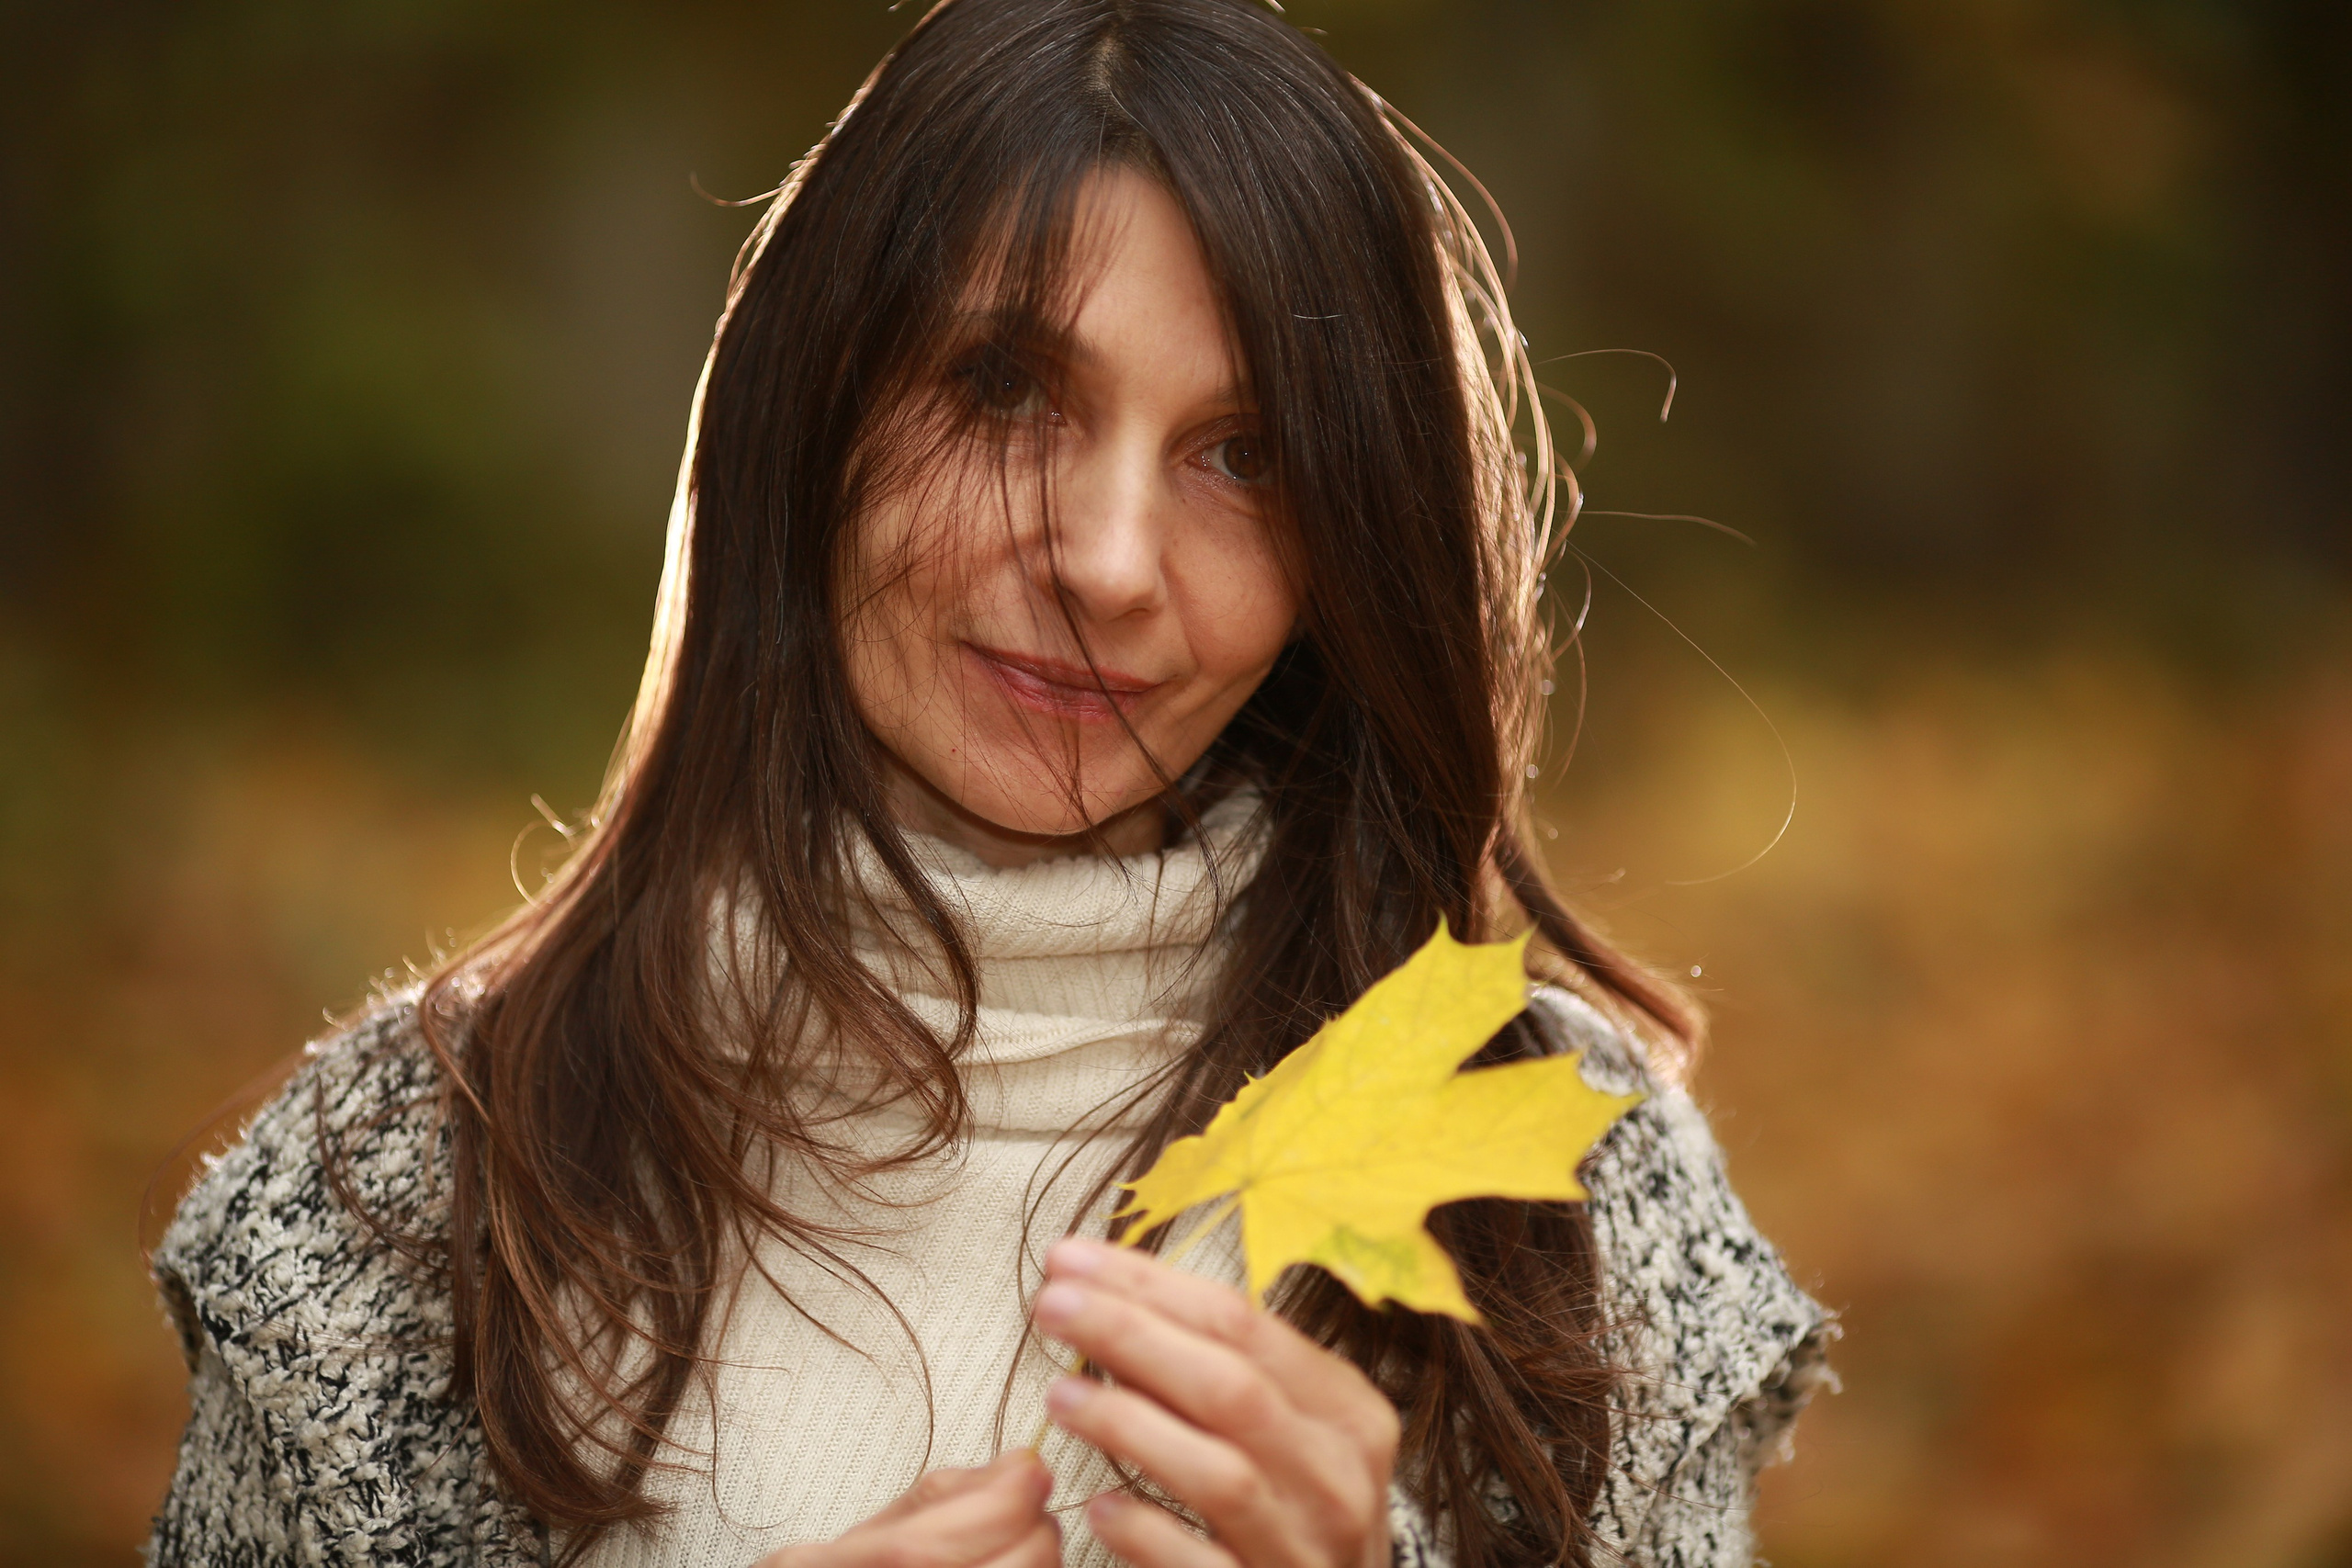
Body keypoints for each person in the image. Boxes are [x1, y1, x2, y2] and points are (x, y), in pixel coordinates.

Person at [145, 2, 1832, 1565]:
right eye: (1008, 391)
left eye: (1243, 455)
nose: (1108, 562)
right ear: (814, 419)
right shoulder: (402, 1196)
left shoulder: (1573, 1200)